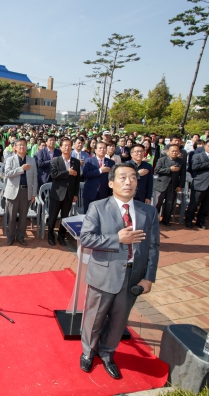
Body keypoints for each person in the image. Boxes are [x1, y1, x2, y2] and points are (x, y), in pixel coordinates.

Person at [79, 163, 159, 380]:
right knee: (94, 318)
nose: (128, 182)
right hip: (103, 274)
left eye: (133, 178)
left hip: (132, 276)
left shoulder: (148, 212)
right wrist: (117, 239)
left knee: (118, 321)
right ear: (111, 182)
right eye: (122, 177)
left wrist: (149, 277)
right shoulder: (98, 207)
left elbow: (153, 247)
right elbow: (85, 238)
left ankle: (107, 353)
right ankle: (88, 351)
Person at [4, 138, 37, 246]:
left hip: (26, 191)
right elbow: (8, 173)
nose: (22, 147)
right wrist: (21, 169)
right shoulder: (10, 159)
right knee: (12, 217)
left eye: (24, 145)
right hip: (13, 191)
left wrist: (33, 193)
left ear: (26, 146)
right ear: (15, 147)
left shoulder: (31, 160)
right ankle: (10, 237)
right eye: (19, 145)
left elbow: (35, 178)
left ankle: (21, 237)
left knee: (23, 217)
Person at [48, 138, 80, 247]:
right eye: (65, 145)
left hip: (69, 194)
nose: (67, 147)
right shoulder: (55, 160)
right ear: (60, 147)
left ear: (72, 147)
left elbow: (77, 179)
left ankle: (61, 235)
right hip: (57, 194)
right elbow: (54, 175)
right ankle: (50, 235)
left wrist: (75, 194)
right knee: (52, 216)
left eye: (69, 145)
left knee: (65, 217)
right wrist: (68, 172)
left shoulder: (76, 162)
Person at [154, 144, 186, 226]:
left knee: (169, 204)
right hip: (161, 185)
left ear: (179, 152)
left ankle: (166, 220)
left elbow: (183, 175)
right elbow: (157, 170)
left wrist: (180, 186)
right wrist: (169, 169)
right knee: (157, 203)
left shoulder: (181, 161)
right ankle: (153, 219)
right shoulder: (162, 160)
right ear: (168, 152)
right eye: (172, 151)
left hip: (173, 186)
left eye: (176, 151)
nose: (174, 152)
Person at [82, 142, 115, 214]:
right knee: (88, 214)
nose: (102, 150)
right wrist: (100, 171)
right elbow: (85, 174)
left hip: (104, 193)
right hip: (90, 192)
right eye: (100, 148)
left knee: (103, 214)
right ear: (95, 150)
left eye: (104, 148)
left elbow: (112, 179)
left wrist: (110, 193)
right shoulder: (89, 160)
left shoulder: (110, 162)